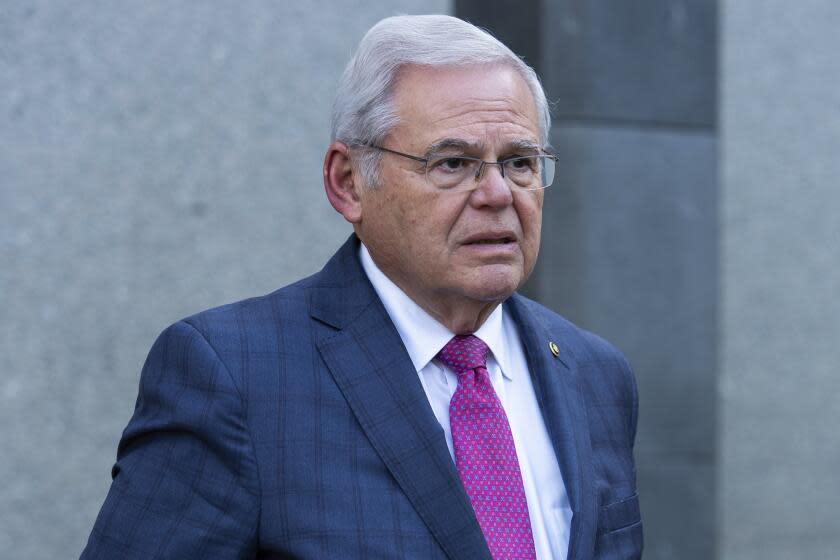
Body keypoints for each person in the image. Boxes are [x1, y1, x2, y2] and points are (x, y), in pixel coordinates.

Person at [81, 14, 641, 560]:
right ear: (348, 182)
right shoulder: (233, 377)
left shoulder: (595, 375)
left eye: (519, 161)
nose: (497, 193)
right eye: (452, 163)